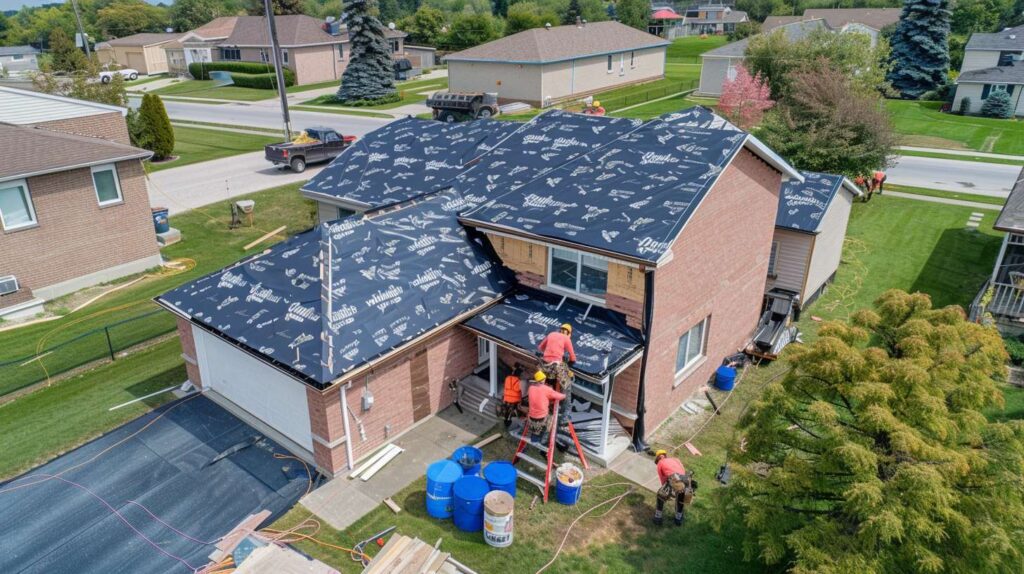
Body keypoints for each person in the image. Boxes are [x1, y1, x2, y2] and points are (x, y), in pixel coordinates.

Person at [537, 323, 576, 417]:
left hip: (544, 365)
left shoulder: (551, 334)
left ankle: (540, 402)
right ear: (569, 333)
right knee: (567, 385)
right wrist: (570, 363)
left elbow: (540, 347)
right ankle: (565, 411)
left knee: (539, 383)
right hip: (556, 367)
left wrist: (550, 351)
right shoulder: (566, 338)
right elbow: (573, 357)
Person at [653, 449, 696, 526]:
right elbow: (682, 470)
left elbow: (662, 478)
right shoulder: (675, 459)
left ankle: (658, 518)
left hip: (675, 478)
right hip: (686, 478)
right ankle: (678, 519)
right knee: (681, 496)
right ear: (665, 455)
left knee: (660, 495)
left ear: (658, 458)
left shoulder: (660, 463)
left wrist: (666, 489)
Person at [526, 371, 565, 441]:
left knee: (535, 429)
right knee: (551, 417)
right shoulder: (546, 389)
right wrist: (565, 394)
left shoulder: (531, 388)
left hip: (531, 416)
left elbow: (539, 396)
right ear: (543, 379)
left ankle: (534, 438)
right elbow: (560, 396)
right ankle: (543, 439)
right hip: (541, 417)